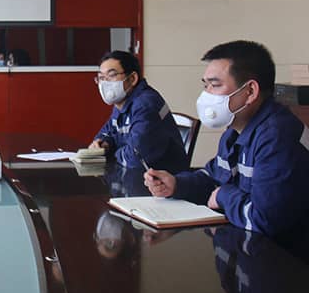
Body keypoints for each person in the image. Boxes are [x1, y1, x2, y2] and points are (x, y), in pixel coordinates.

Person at [145, 40, 309, 251]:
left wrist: (223, 195)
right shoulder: (234, 130)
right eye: (205, 85)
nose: (206, 95)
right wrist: (176, 184)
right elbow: (213, 176)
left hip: (283, 261)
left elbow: (264, 220)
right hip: (241, 251)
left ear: (250, 91)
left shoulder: (278, 136)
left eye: (215, 85)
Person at [90, 51, 188, 172]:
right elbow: (106, 133)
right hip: (137, 175)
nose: (105, 83)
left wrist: (111, 152)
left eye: (112, 75)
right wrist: (104, 144)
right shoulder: (121, 103)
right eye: (101, 78)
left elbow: (135, 158)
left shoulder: (145, 104)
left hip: (164, 179)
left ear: (132, 79)